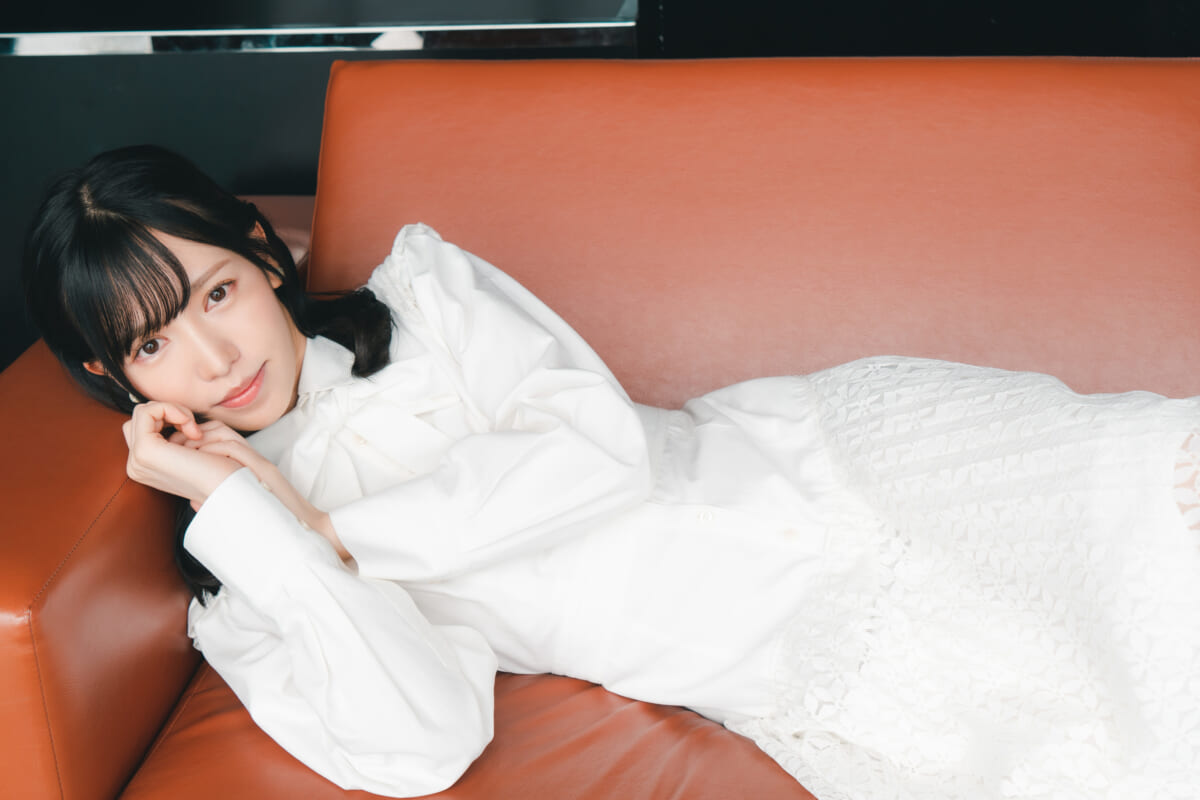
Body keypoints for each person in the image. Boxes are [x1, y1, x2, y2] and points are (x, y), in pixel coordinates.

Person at [21, 144, 1200, 800]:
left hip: (853, 458)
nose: (216, 358)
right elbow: (424, 739)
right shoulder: (251, 585)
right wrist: (268, 527)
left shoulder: (428, 297)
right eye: (153, 343)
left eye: (218, 292)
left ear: (264, 254)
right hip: (802, 652)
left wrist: (335, 529)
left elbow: (599, 453)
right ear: (114, 377)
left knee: (1157, 496)